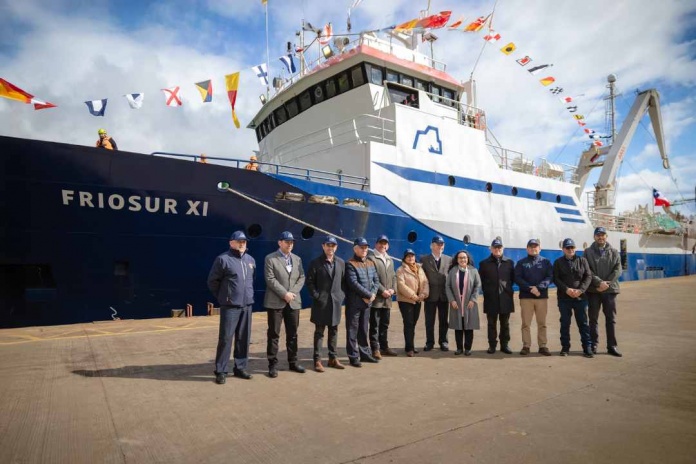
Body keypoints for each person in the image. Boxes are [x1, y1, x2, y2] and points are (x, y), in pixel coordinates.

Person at [207, 230, 256, 384]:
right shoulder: (223, 259)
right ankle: (221, 370)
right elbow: (212, 281)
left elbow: (250, 280)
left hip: (247, 305)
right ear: (231, 242)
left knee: (244, 338)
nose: (242, 244)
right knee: (226, 338)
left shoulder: (250, 260)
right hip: (230, 306)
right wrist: (224, 298)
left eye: (244, 241)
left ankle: (240, 367)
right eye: (239, 241)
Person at [264, 231, 306, 378]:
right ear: (279, 242)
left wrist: (292, 293)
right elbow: (270, 279)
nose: (290, 244)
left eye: (292, 242)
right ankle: (272, 365)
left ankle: (293, 362)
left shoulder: (298, 259)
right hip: (276, 302)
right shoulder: (270, 258)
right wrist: (284, 294)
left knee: (293, 334)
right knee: (274, 334)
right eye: (287, 242)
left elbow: (301, 277)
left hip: (293, 302)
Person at [306, 236, 346, 372]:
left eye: (333, 245)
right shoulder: (315, 263)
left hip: (335, 303)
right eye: (328, 245)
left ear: (336, 247)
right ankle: (317, 360)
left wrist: (341, 296)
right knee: (319, 332)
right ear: (323, 246)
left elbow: (344, 282)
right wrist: (317, 296)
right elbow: (309, 282)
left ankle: (332, 358)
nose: (330, 248)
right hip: (321, 303)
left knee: (334, 331)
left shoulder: (340, 263)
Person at [584, 227, 623, 357]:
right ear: (594, 237)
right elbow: (587, 270)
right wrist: (599, 283)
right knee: (593, 319)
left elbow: (618, 269)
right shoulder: (588, 252)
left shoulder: (614, 251)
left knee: (610, 319)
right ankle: (593, 344)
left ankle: (612, 346)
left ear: (606, 236)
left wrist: (607, 283)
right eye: (598, 235)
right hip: (594, 290)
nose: (600, 237)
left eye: (603, 235)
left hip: (610, 290)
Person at [553, 238, 594, 358]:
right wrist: (567, 289)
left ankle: (587, 348)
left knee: (583, 324)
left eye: (572, 247)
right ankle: (565, 348)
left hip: (580, 298)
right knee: (565, 323)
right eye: (567, 248)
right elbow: (556, 278)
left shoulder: (582, 260)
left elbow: (588, 276)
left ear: (575, 248)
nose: (570, 250)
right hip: (564, 298)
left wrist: (580, 290)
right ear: (563, 249)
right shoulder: (558, 262)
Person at [344, 237, 381, 367]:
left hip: (367, 303)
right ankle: (353, 357)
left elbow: (376, 280)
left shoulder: (370, 262)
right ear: (355, 249)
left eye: (365, 247)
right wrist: (368, 294)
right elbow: (353, 283)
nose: (364, 249)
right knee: (352, 330)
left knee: (363, 329)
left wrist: (373, 294)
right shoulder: (350, 264)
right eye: (361, 247)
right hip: (355, 303)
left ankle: (365, 354)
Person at [514, 239, 554, 356]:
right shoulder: (521, 263)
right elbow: (517, 277)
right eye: (531, 247)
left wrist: (539, 288)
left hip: (541, 298)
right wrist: (530, 288)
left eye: (535, 246)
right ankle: (526, 345)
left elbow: (549, 277)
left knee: (542, 323)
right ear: (527, 249)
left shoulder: (546, 262)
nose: (533, 248)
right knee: (526, 323)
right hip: (526, 298)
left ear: (540, 248)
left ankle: (543, 346)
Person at [478, 239, 516, 354]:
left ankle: (505, 345)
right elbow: (481, 280)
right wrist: (488, 291)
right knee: (491, 323)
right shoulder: (484, 264)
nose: (497, 249)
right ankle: (492, 345)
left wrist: (507, 290)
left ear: (502, 249)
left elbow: (512, 279)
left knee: (505, 323)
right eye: (495, 247)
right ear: (491, 249)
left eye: (499, 247)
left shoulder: (509, 262)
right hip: (491, 298)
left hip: (505, 297)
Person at [367, 234, 398, 359]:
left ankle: (384, 347)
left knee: (385, 324)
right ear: (376, 244)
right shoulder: (371, 258)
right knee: (374, 324)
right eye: (380, 243)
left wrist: (393, 289)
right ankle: (375, 349)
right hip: (377, 299)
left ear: (388, 246)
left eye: (385, 243)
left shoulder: (390, 259)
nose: (382, 245)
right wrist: (382, 290)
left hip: (388, 299)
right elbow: (372, 278)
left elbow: (394, 277)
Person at [446, 250, 481, 356]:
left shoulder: (473, 271)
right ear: (457, 260)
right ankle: (459, 348)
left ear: (468, 259)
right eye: (460, 258)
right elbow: (448, 286)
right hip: (456, 303)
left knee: (469, 326)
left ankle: (468, 348)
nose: (463, 259)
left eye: (464, 257)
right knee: (458, 326)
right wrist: (452, 300)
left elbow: (477, 285)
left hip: (469, 303)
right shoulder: (453, 271)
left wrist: (473, 299)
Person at [420, 235, 452, 352]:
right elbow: (421, 277)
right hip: (430, 295)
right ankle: (429, 342)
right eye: (437, 244)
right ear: (432, 246)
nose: (440, 246)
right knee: (429, 321)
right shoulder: (424, 260)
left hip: (444, 295)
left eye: (442, 244)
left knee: (444, 321)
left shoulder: (449, 259)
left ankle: (443, 341)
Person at [396, 249, 429, 357]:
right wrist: (413, 296)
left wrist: (423, 294)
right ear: (404, 258)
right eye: (408, 256)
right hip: (406, 301)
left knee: (413, 324)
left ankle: (410, 345)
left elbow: (425, 282)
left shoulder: (419, 268)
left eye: (412, 256)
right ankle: (409, 348)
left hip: (418, 300)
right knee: (409, 323)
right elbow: (401, 286)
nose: (411, 258)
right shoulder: (401, 270)